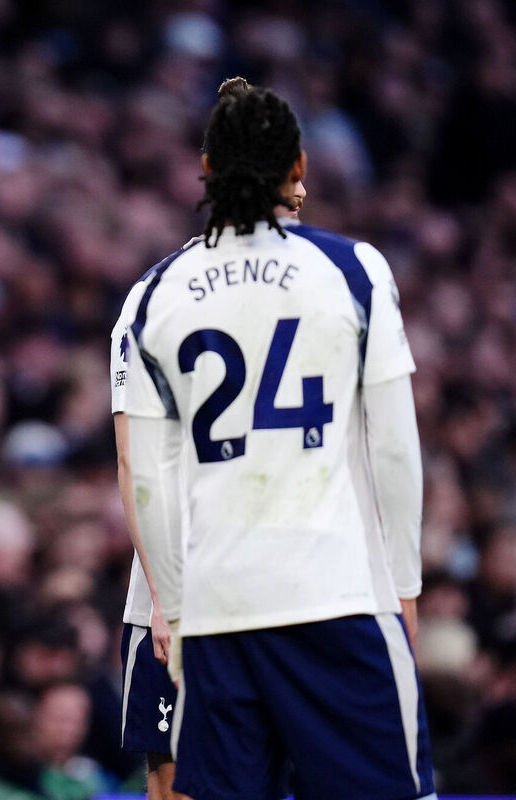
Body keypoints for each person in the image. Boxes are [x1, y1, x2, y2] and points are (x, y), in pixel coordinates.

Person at [121, 84, 435, 799]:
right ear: (299, 165)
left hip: (216, 605)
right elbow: (394, 447)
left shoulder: (156, 293)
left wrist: (173, 603)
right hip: (333, 593)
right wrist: (406, 587)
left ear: (205, 167)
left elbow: (148, 479)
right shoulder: (353, 269)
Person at [108, 76, 303, 800]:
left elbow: (137, 460)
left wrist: (168, 594)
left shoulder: (157, 291)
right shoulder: (337, 285)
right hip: (277, 589)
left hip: (218, 585)